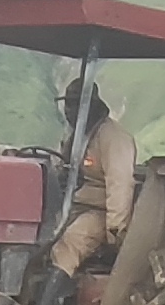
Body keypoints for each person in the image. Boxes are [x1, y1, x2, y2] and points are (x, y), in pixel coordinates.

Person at [45, 77, 137, 284]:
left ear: (91, 106)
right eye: (68, 104)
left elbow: (120, 184)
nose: (69, 111)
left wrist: (115, 231)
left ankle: (45, 304)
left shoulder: (113, 138)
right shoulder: (75, 137)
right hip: (73, 206)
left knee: (68, 245)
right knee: (40, 241)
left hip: (99, 211)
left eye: (75, 105)